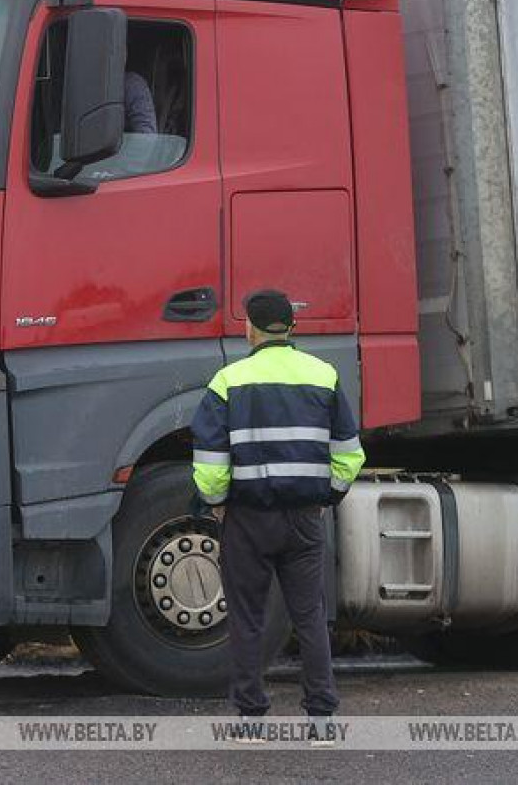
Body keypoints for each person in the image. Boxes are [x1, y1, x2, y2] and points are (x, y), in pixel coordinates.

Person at [190, 288, 364, 745]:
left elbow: (209, 461)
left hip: (248, 517)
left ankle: (251, 719)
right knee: (310, 616)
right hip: (305, 517)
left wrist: (217, 501)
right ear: (292, 328)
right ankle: (322, 719)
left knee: (248, 618)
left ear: (249, 327)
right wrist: (328, 496)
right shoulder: (324, 376)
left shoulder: (228, 381)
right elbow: (349, 453)